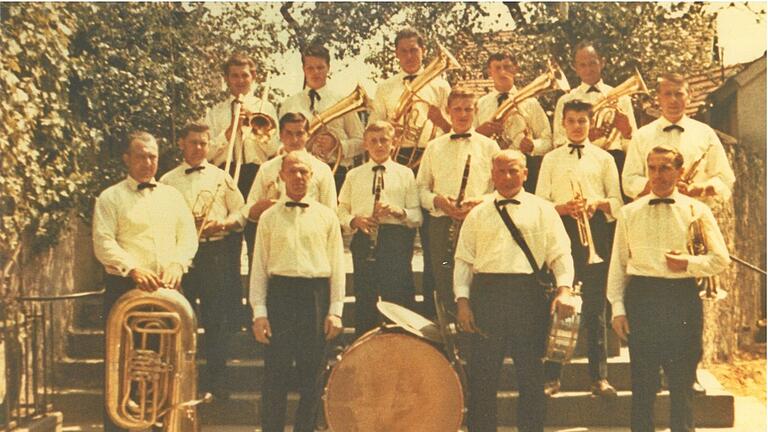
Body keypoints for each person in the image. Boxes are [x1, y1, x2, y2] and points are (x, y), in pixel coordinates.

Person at [607, 145, 730, 432]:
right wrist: (617, 308)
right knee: (643, 385)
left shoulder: (696, 210)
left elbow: (720, 259)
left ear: (679, 171)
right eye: (652, 168)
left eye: (665, 168)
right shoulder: (629, 212)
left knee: (682, 384)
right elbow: (618, 266)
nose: (657, 175)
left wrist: (688, 263)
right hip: (643, 298)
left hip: (681, 299)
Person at [454, 149, 576, 432]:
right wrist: (463, 301)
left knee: (532, 377)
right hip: (487, 296)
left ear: (525, 173)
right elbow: (463, 260)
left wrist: (564, 289)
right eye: (501, 171)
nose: (507, 177)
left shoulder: (543, 210)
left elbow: (561, 254)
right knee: (483, 377)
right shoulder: (478, 214)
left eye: (513, 171)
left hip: (528, 296)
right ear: (492, 174)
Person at [93, 131, 198, 432]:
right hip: (127, 290)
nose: (148, 162)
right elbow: (103, 243)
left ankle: (162, 424)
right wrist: (133, 269)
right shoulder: (110, 197)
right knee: (123, 365)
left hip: (167, 290)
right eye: (140, 155)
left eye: (152, 156)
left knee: (168, 365)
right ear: (127, 158)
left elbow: (187, 237)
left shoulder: (172, 196)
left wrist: (178, 264)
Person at [250, 151, 345, 432]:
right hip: (280, 295)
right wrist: (259, 312)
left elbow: (338, 266)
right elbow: (259, 268)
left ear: (312, 176)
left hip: (314, 296)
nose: (299, 177)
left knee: (313, 377)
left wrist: (335, 310)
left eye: (304, 172)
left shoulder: (327, 217)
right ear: (281, 176)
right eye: (292, 171)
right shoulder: (268, 218)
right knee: (275, 376)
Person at [535, 100, 622, 397]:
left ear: (590, 123)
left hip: (594, 229)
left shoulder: (604, 159)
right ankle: (551, 377)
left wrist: (597, 203)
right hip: (561, 229)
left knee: (596, 307)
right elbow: (539, 202)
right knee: (559, 305)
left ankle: (599, 378)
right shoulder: (551, 159)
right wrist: (562, 207)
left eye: (582, 121)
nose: (576, 126)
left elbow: (619, 203)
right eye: (571, 121)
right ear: (563, 124)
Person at [160, 122, 245, 400]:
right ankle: (178, 382)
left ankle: (217, 381)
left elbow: (241, 212)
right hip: (181, 257)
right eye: (193, 142)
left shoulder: (223, 178)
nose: (198, 148)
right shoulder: (167, 181)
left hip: (214, 253)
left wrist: (222, 223)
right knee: (179, 318)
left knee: (215, 320)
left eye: (203, 143)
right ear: (181, 144)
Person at [371, 27, 451, 317]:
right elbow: (373, 129)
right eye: (403, 50)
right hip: (399, 157)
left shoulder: (441, 86)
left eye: (413, 50)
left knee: (432, 240)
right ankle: (399, 308)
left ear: (423, 51)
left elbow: (455, 130)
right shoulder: (385, 88)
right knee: (399, 237)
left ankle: (433, 311)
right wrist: (392, 130)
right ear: (396, 53)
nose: (408, 56)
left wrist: (440, 119)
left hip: (431, 156)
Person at [416, 89, 499, 313]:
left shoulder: (490, 147)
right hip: (443, 225)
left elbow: (501, 191)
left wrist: (480, 201)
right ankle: (450, 339)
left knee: (479, 283)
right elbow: (421, 189)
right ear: (448, 111)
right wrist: (438, 201)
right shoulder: (434, 147)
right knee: (444, 281)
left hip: (479, 224)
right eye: (457, 109)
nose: (463, 115)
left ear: (476, 111)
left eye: (468, 109)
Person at [337, 121, 422, 336]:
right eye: (373, 141)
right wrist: (355, 221)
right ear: (365, 145)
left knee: (399, 296)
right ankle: (365, 348)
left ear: (393, 144)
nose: (379, 145)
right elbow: (340, 211)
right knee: (365, 296)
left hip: (395, 240)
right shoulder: (353, 175)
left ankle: (402, 346)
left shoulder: (406, 174)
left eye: (384, 140)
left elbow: (417, 216)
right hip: (365, 239)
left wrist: (397, 211)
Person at [622, 73, 735, 203]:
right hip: (653, 215)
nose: (673, 100)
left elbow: (725, 178)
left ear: (689, 97)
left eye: (679, 94)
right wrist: (661, 186)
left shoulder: (705, 133)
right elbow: (629, 181)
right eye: (667, 94)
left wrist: (698, 189)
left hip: (695, 211)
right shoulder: (641, 136)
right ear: (658, 98)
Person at [241, 112, 337, 260]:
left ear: (308, 135)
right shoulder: (266, 168)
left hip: (310, 243)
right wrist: (261, 207)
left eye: (299, 133)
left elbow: (331, 214)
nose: (294, 139)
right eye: (289, 134)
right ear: (280, 135)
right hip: (275, 243)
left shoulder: (322, 169)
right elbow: (250, 210)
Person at [552, 41, 637, 196]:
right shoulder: (565, 100)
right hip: (578, 162)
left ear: (602, 63)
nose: (588, 69)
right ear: (575, 68)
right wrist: (586, 138)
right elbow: (558, 141)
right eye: (582, 65)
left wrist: (627, 132)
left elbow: (634, 147)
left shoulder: (621, 97)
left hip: (615, 160)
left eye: (592, 63)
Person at [280, 44, 365, 191]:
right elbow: (280, 142)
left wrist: (338, 146)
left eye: (320, 67)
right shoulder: (289, 104)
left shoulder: (343, 102)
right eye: (310, 68)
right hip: (299, 173)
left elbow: (362, 142)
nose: (316, 72)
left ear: (328, 68)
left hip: (337, 173)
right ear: (303, 69)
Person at [204, 53, 280, 198]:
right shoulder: (215, 111)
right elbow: (207, 153)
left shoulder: (265, 108)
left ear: (253, 77)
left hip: (258, 174)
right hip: (224, 172)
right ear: (226, 79)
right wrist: (231, 130)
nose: (240, 80)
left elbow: (273, 149)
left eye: (244, 75)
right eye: (234, 76)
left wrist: (253, 124)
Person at [475, 51, 552, 191]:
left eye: (507, 67)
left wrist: (533, 145)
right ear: (489, 71)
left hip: (522, 172)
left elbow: (548, 140)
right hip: (489, 171)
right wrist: (480, 132)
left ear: (515, 69)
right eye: (497, 68)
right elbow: (470, 139)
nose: (502, 72)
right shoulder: (480, 104)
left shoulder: (530, 103)